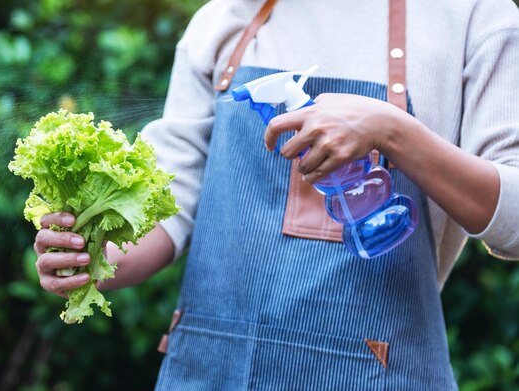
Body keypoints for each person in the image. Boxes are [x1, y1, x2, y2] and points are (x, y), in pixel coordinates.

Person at [33, 0, 519, 388]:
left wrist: (392, 131)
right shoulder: (223, 21)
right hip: (208, 373)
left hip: (377, 373)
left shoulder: (474, 16)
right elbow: (166, 208)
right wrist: (90, 256)